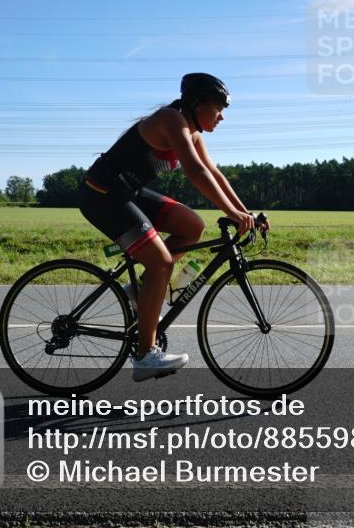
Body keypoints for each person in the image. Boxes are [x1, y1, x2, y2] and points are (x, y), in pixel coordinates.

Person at [78, 73, 257, 381]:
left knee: (192, 226)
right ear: (198, 103)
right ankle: (145, 355)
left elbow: (214, 172)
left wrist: (244, 212)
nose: (222, 116)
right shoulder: (171, 119)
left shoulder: (193, 133)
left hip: (128, 190)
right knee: (161, 262)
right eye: (218, 107)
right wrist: (230, 212)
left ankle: (139, 290)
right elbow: (195, 170)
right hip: (102, 193)